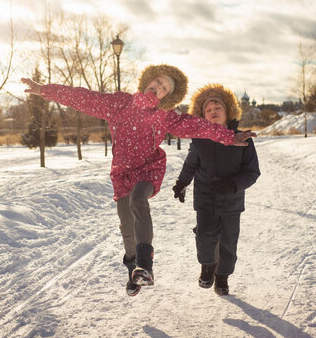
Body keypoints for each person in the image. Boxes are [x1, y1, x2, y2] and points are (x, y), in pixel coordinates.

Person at [21, 66, 256, 297]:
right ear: (147, 82)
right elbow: (84, 98)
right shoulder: (120, 103)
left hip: (149, 168)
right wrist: (45, 90)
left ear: (168, 96)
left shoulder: (166, 116)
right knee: (126, 225)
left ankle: (145, 264)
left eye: (164, 88)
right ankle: (133, 270)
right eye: (157, 83)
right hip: (122, 173)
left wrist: (230, 136)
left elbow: (198, 126)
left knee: (138, 200)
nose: (159, 88)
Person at [172, 84, 260, 296]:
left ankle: (222, 277)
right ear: (202, 116)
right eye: (207, 110)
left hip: (232, 201)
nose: (212, 111)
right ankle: (207, 266)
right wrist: (182, 183)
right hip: (205, 198)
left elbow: (252, 172)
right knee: (205, 235)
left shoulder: (243, 139)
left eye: (217, 107)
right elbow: (191, 164)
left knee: (228, 242)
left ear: (229, 111)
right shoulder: (200, 140)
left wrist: (233, 185)